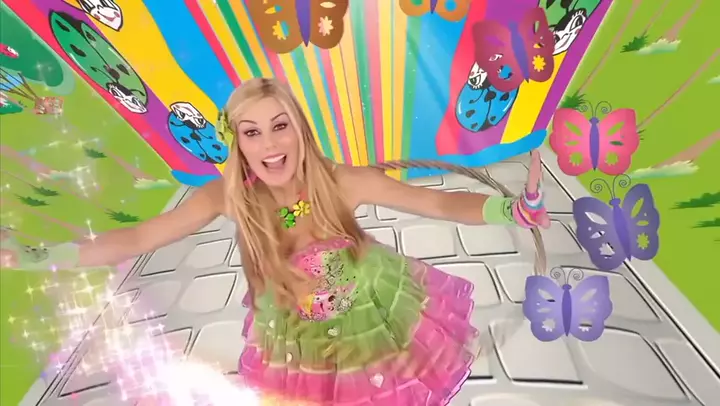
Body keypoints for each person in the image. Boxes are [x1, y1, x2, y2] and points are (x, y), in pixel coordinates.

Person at [0, 78, 550, 405]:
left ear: (300, 130)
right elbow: (140, 236)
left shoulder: (342, 181)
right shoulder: (228, 197)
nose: (269, 144)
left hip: (371, 313)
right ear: (238, 142)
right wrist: (36, 256)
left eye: (279, 125)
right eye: (252, 132)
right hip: (295, 334)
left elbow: (437, 204)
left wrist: (510, 209)